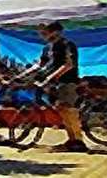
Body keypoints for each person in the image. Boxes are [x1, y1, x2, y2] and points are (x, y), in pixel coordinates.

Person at [20, 22, 87, 153]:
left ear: (56, 32)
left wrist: (50, 78)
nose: (42, 35)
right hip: (53, 84)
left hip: (67, 82)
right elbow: (40, 64)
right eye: (41, 33)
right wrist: (22, 75)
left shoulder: (67, 45)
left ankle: (79, 141)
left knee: (69, 110)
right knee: (62, 111)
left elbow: (68, 65)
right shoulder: (47, 47)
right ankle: (72, 140)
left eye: (44, 32)